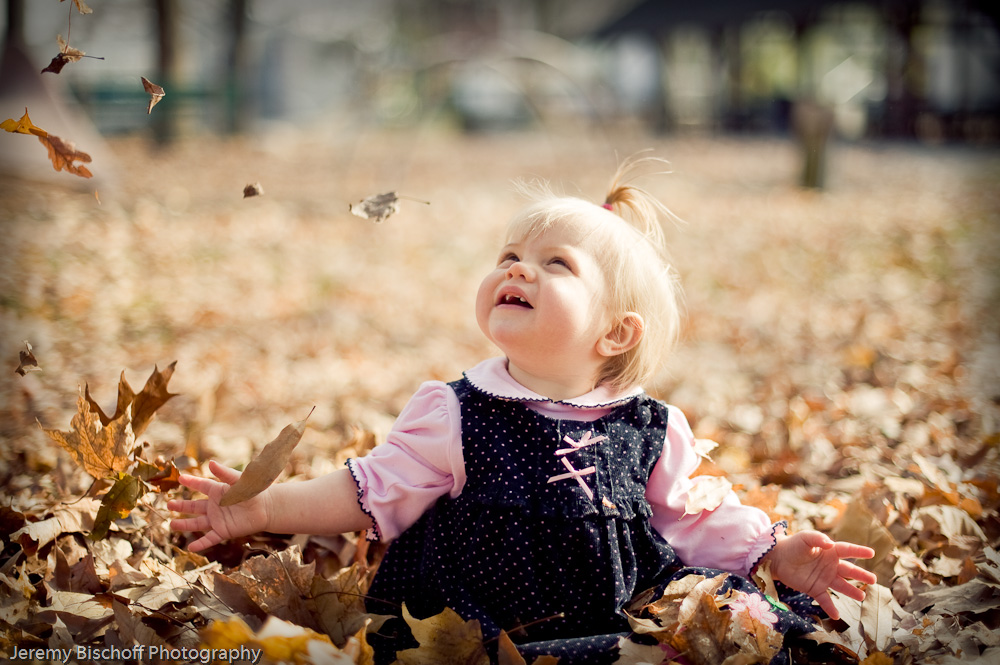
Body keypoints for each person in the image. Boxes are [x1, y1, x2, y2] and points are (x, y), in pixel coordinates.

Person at [168, 154, 876, 664]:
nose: (516, 268)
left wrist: (773, 550)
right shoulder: (454, 411)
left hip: (614, 617)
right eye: (508, 254)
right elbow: (365, 488)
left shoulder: (649, 427)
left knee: (750, 631)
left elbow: (691, 515)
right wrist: (258, 509)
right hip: (474, 626)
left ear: (616, 332)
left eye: (556, 264)